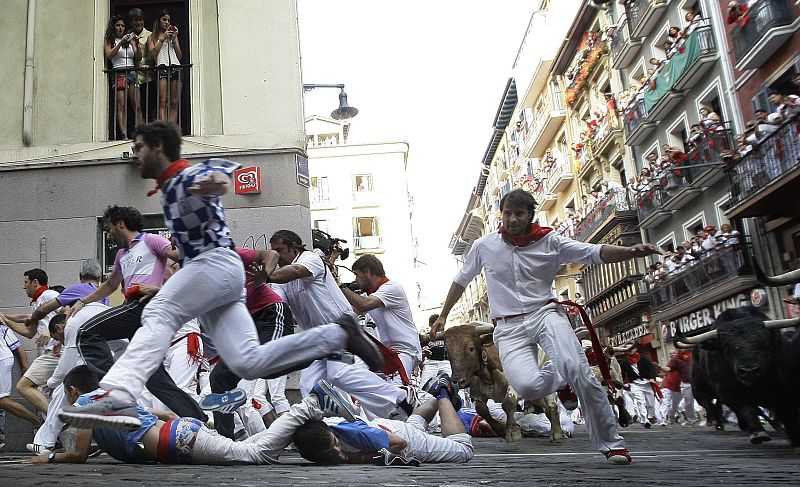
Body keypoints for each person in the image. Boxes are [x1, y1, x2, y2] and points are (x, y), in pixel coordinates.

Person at [58, 121, 382, 432]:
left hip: (213, 266)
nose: (135, 155)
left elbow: (215, 176)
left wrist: (215, 184)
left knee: (158, 313)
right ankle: (337, 335)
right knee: (246, 362)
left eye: (139, 147)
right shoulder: (170, 188)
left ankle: (116, 394)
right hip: (218, 276)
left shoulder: (184, 176)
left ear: (158, 147)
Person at [430, 188, 661, 465]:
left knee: (580, 371)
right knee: (528, 387)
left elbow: (594, 252)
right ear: (500, 214)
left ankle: (612, 445)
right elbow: (461, 280)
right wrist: (443, 315)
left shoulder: (551, 241)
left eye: (519, 213)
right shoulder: (485, 246)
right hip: (508, 326)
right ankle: (561, 369)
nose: (512, 219)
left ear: (530, 216)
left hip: (545, 313)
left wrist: (630, 251)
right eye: (507, 213)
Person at [27, 365, 357, 465]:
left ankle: (311, 404)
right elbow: (159, 413)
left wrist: (50, 459)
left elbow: (79, 454)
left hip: (180, 441)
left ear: (73, 392)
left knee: (255, 454)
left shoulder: (87, 407)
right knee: (253, 446)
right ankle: (311, 413)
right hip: (182, 433)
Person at [70, 205, 206, 421]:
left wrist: (182, 239)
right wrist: (83, 301)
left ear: (120, 224)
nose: (108, 234)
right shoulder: (121, 254)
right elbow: (110, 285)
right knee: (153, 377)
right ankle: (199, 419)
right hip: (135, 311)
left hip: (144, 306)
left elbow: (177, 255)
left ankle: (110, 390)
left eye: (109, 228)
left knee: (86, 332)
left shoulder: (151, 240)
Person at [268, 230, 417, 420]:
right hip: (318, 341)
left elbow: (296, 272)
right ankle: (332, 431)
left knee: (341, 373)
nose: (275, 255)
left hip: (342, 333)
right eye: (272, 251)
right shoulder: (281, 280)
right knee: (309, 385)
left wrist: (266, 275)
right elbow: (277, 301)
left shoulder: (310, 259)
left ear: (294, 247)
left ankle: (400, 397)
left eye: (279, 250)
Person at [205, 246, 297, 440]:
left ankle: (324, 348)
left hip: (270, 314)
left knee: (266, 363)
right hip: (245, 326)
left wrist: (265, 276)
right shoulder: (193, 277)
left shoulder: (228, 254)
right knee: (219, 378)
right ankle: (225, 439)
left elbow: (271, 254)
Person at [293, 374, 473, 465]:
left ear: (331, 432)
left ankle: (442, 393)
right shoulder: (316, 435)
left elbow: (399, 443)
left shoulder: (356, 433)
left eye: (335, 442)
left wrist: (357, 457)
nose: (336, 448)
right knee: (415, 424)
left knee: (463, 450)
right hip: (389, 428)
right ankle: (435, 395)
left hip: (403, 440)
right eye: (329, 451)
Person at [340, 254, 422, 378]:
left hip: (404, 351)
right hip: (388, 353)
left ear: (367, 271)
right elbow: (348, 311)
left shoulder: (391, 288)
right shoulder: (371, 295)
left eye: (356, 274)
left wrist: (342, 287)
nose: (355, 280)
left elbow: (363, 305)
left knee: (397, 392)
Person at [0, 269, 61, 416]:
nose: (23, 286)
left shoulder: (49, 295)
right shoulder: (37, 304)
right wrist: (6, 320)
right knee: (44, 392)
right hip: (50, 354)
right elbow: (29, 332)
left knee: (24, 386)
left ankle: (57, 418)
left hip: (56, 352)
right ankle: (54, 428)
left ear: (35, 283)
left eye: (26, 282)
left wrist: (50, 330)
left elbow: (69, 311)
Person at [0, 318, 41, 430]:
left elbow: (19, 347)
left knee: (2, 401)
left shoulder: (3, 328)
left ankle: (37, 421)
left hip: (2, 360)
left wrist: (24, 368)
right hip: (4, 359)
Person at [105, 15, 142, 138]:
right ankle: (124, 134)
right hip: (119, 72)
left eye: (122, 26)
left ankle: (140, 133)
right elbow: (109, 55)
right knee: (121, 105)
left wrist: (136, 44)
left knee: (136, 104)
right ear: (113, 27)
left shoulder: (129, 40)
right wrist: (120, 43)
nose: (120, 28)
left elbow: (138, 58)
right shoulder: (110, 40)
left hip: (131, 71)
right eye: (118, 25)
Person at [147, 10, 182, 123]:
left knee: (175, 102)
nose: (167, 22)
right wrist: (162, 39)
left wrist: (174, 40)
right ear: (158, 21)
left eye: (168, 20)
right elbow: (153, 54)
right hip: (162, 67)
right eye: (164, 20)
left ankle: (172, 129)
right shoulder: (151, 37)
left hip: (175, 66)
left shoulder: (173, 36)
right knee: (163, 101)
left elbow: (180, 55)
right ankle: (164, 130)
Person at [618, 347, 659, 428]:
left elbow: (651, 369)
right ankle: (644, 420)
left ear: (636, 349)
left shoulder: (643, 358)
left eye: (632, 348)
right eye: (628, 348)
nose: (630, 349)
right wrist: (624, 383)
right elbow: (622, 374)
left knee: (651, 403)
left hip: (646, 382)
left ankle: (650, 415)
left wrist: (651, 378)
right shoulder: (624, 362)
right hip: (635, 384)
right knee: (640, 401)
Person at [128, 8, 156, 122]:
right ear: (131, 22)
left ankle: (154, 133)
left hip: (151, 75)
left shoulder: (150, 35)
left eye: (140, 20)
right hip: (136, 76)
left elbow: (156, 53)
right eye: (135, 20)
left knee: (153, 106)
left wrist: (151, 65)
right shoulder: (128, 37)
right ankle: (142, 131)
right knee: (137, 106)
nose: (138, 23)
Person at [660, 349, 699, 425]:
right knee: (685, 402)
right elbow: (668, 370)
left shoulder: (694, 355)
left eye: (673, 353)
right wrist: (660, 367)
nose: (672, 354)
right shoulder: (675, 360)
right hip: (679, 385)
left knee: (700, 400)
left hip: (696, 381)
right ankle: (691, 419)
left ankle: (705, 418)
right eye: (671, 353)